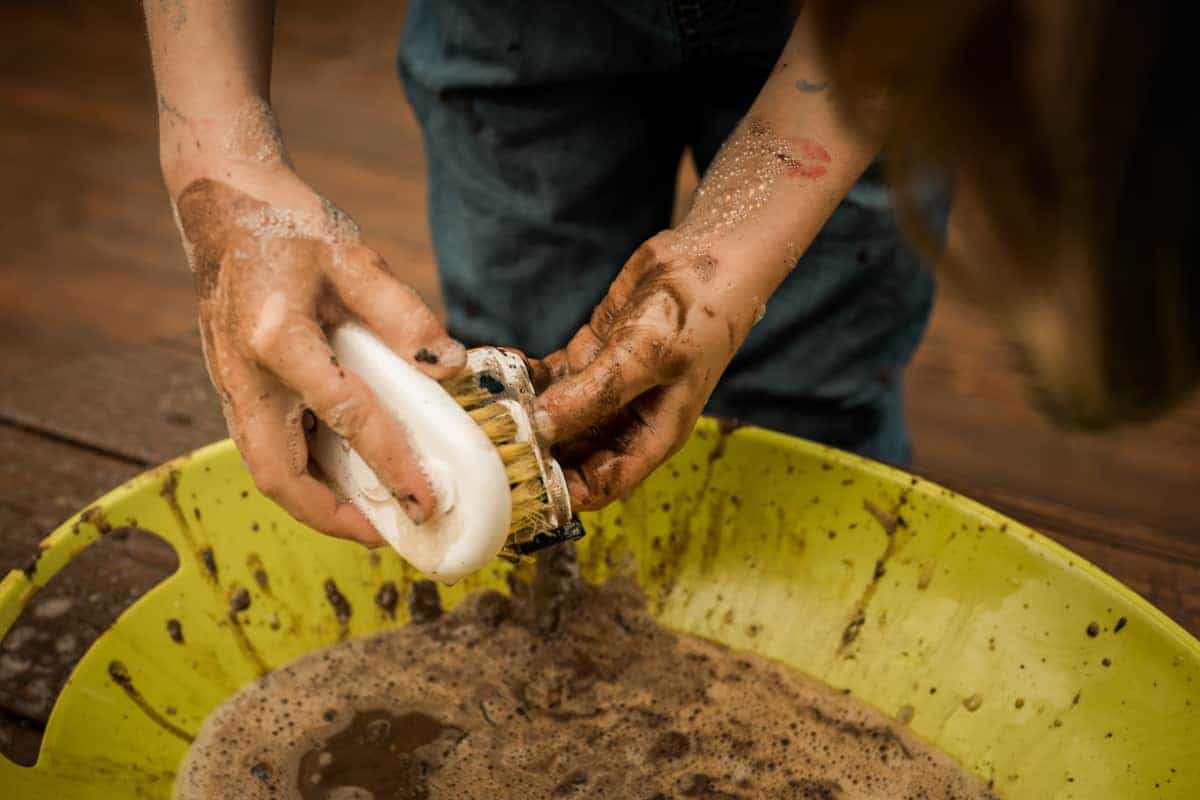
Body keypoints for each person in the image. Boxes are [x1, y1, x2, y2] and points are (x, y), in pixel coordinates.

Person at [143, 0, 939, 544]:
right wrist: (220, 167)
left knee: (809, 390)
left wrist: (749, 237)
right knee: (534, 374)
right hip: (514, 26)